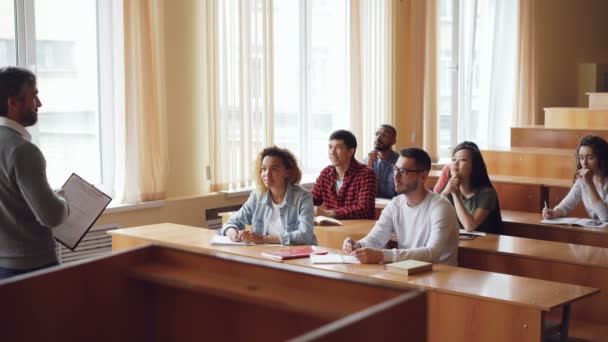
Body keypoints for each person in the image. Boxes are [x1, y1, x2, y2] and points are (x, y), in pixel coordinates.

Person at [0, 66, 70, 280]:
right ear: (13, 103)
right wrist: (63, 201)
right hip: (33, 266)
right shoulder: (23, 150)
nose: (39, 104)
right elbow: (51, 215)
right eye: (34, 96)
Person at [343, 147, 459, 265]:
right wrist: (358, 245)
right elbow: (377, 237)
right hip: (407, 271)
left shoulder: (441, 207)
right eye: (395, 169)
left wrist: (382, 255)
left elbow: (432, 253)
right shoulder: (395, 204)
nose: (396, 176)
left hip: (440, 276)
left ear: (423, 176)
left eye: (403, 171)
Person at [220, 146, 317, 245]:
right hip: (264, 254)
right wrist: (232, 232)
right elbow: (232, 222)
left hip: (297, 255)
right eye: (264, 169)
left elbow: (305, 235)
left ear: (288, 172)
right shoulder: (257, 196)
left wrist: (262, 239)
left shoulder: (303, 197)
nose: (267, 174)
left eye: (274, 169)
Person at [311, 129, 376, 219]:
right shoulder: (326, 173)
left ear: (350, 151)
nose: (332, 152)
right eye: (330, 147)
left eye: (338, 148)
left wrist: (329, 213)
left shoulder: (366, 174)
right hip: (333, 229)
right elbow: (312, 200)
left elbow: (365, 209)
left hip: (358, 230)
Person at [440, 141, 502, 234]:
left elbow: (470, 226)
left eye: (463, 160)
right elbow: (433, 219)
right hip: (458, 242)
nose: (455, 163)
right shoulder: (449, 189)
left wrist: (455, 195)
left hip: (484, 244)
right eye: (453, 159)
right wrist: (444, 194)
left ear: (474, 166)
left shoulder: (487, 193)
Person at [543, 135, 608, 222]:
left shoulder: (587, 179)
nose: (584, 163)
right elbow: (567, 204)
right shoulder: (583, 179)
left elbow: (605, 217)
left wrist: (589, 183)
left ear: (602, 158)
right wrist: (553, 213)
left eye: (590, 158)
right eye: (581, 158)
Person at [363, 124, 399, 199]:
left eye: (384, 135)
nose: (378, 138)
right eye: (376, 134)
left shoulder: (400, 162)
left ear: (393, 141)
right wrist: (369, 165)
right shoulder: (367, 161)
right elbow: (362, 191)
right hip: (374, 206)